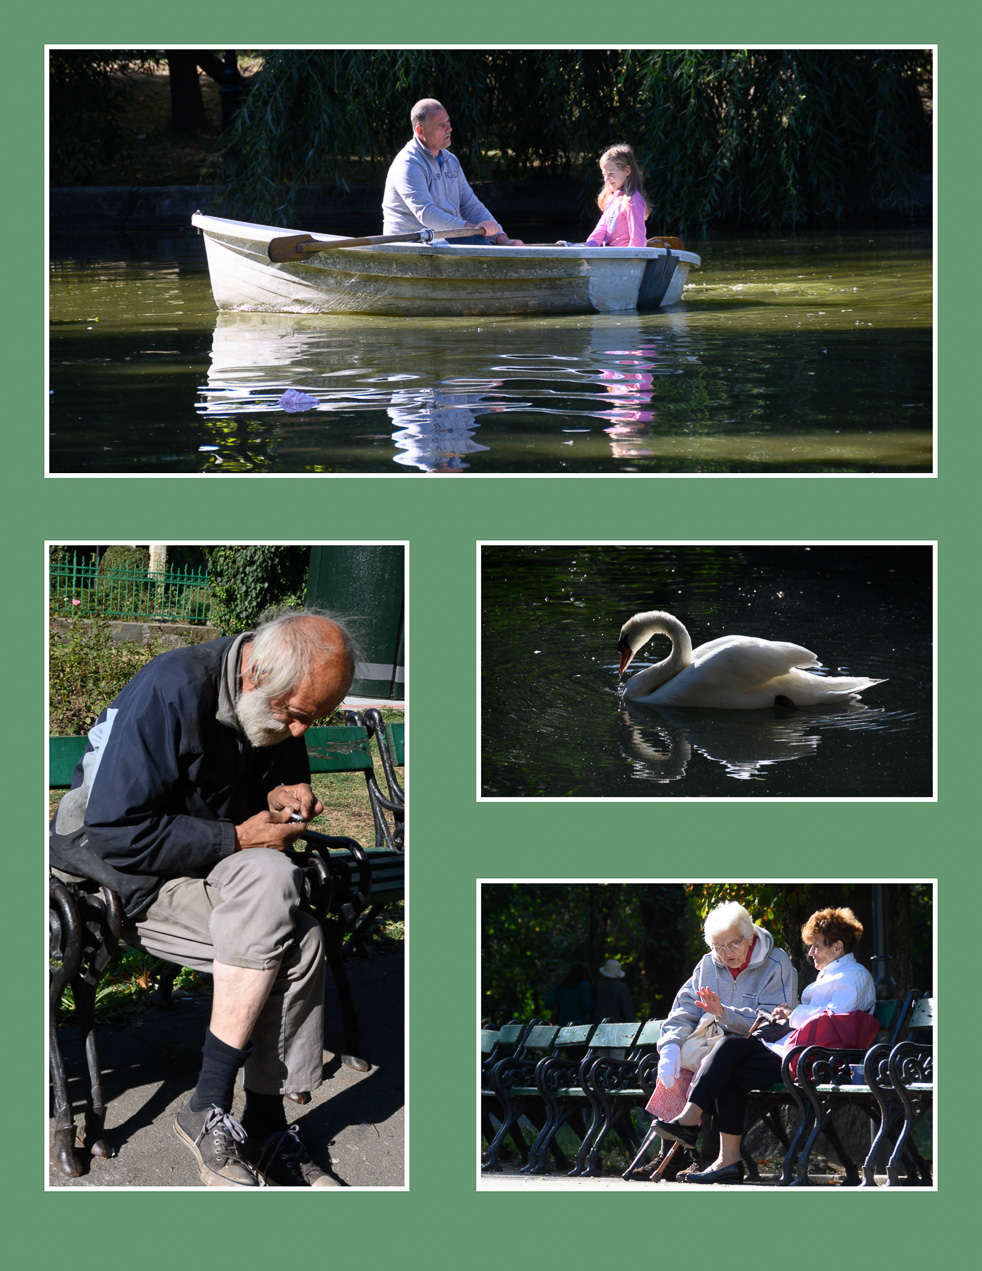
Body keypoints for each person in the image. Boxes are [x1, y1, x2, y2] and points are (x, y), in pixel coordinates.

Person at [49, 609, 358, 1188]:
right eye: (295, 715)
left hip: (206, 866)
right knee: (297, 928)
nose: (299, 732)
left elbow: (277, 781)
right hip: (121, 875)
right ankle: (220, 1109)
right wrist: (240, 835)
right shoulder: (171, 690)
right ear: (253, 674)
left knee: (283, 900)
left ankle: (253, 1121)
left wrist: (289, 795)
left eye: (311, 720)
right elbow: (115, 830)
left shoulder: (274, 702)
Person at [653, 906, 876, 1184]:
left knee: (729, 1054)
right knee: (729, 1056)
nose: (810, 953)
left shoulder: (854, 977)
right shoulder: (831, 974)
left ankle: (692, 1123)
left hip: (818, 1060)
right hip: (796, 1050)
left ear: (838, 946)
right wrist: (786, 1015)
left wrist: (793, 1014)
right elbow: (814, 1020)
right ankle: (727, 1161)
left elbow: (832, 1023)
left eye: (816, 946)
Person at [635, 901, 796, 1181]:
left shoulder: (776, 962)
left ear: (750, 938)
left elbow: (776, 1020)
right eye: (718, 947)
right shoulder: (709, 963)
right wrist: (670, 1045)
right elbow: (684, 1009)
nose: (725, 954)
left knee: (714, 1064)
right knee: (681, 1062)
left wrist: (725, 1013)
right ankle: (671, 1157)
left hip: (753, 1046)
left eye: (732, 944)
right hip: (713, 1042)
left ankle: (707, 1157)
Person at [382, 98, 524, 245]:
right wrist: (471, 228)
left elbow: (470, 205)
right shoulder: (408, 164)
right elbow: (427, 213)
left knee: (478, 240)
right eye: (440, 125)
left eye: (448, 122)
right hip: (409, 244)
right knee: (475, 240)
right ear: (420, 130)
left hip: (442, 240)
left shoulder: (451, 161)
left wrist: (503, 239)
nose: (449, 128)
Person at [584, 144, 651, 248]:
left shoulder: (633, 200)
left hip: (624, 259)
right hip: (612, 256)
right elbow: (602, 228)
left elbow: (638, 238)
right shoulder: (611, 198)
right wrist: (589, 245)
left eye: (611, 174)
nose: (606, 179)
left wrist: (633, 261)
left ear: (627, 171)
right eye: (604, 175)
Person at [591, 958, 634, 1024]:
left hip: (597, 1025)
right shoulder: (622, 988)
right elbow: (626, 1011)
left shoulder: (597, 985)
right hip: (616, 1026)